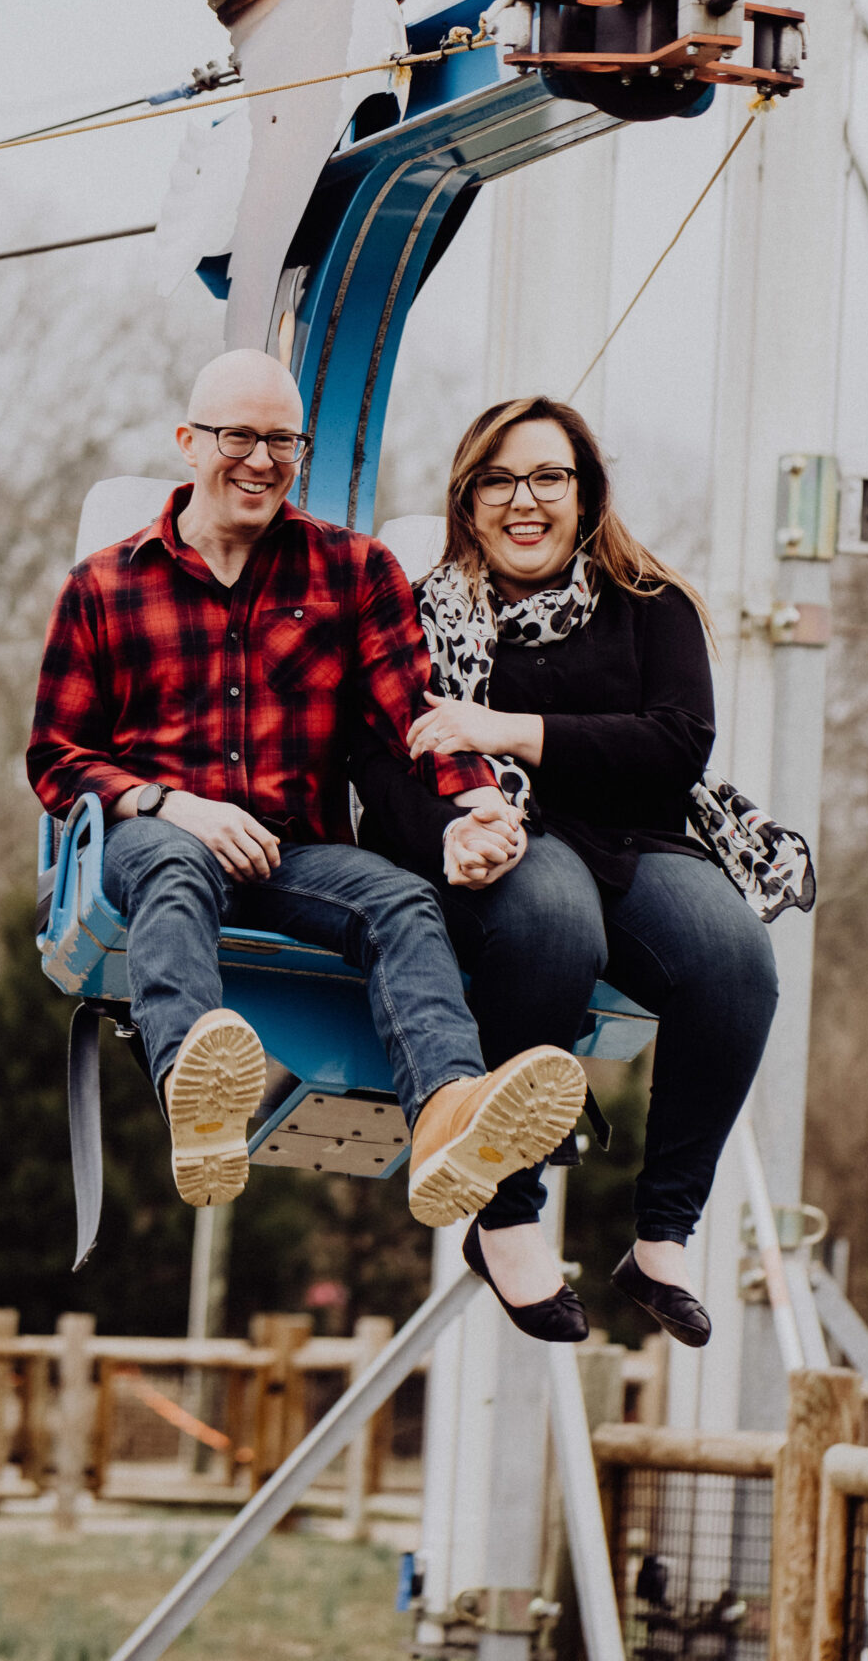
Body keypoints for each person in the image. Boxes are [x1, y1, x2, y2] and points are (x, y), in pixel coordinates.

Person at [27, 349, 585, 1227]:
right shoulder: (104, 586)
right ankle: (195, 1093)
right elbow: (56, 758)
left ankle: (447, 1112)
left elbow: (411, 713)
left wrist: (477, 800)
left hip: (293, 849)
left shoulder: (354, 573)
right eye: (237, 437)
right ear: (188, 442)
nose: (260, 461)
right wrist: (174, 805)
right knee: (175, 869)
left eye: (282, 442)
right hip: (160, 830)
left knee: (403, 902)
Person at [352, 394, 779, 1346]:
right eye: (498, 481)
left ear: (585, 493)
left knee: (734, 957)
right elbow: (384, 760)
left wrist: (506, 729)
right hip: (498, 830)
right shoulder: (424, 615)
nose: (525, 501)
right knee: (552, 923)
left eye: (549, 477)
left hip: (636, 841)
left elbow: (676, 744)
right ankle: (505, 1216)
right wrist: (452, 837)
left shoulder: (651, 605)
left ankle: (663, 1235)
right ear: (468, 502)